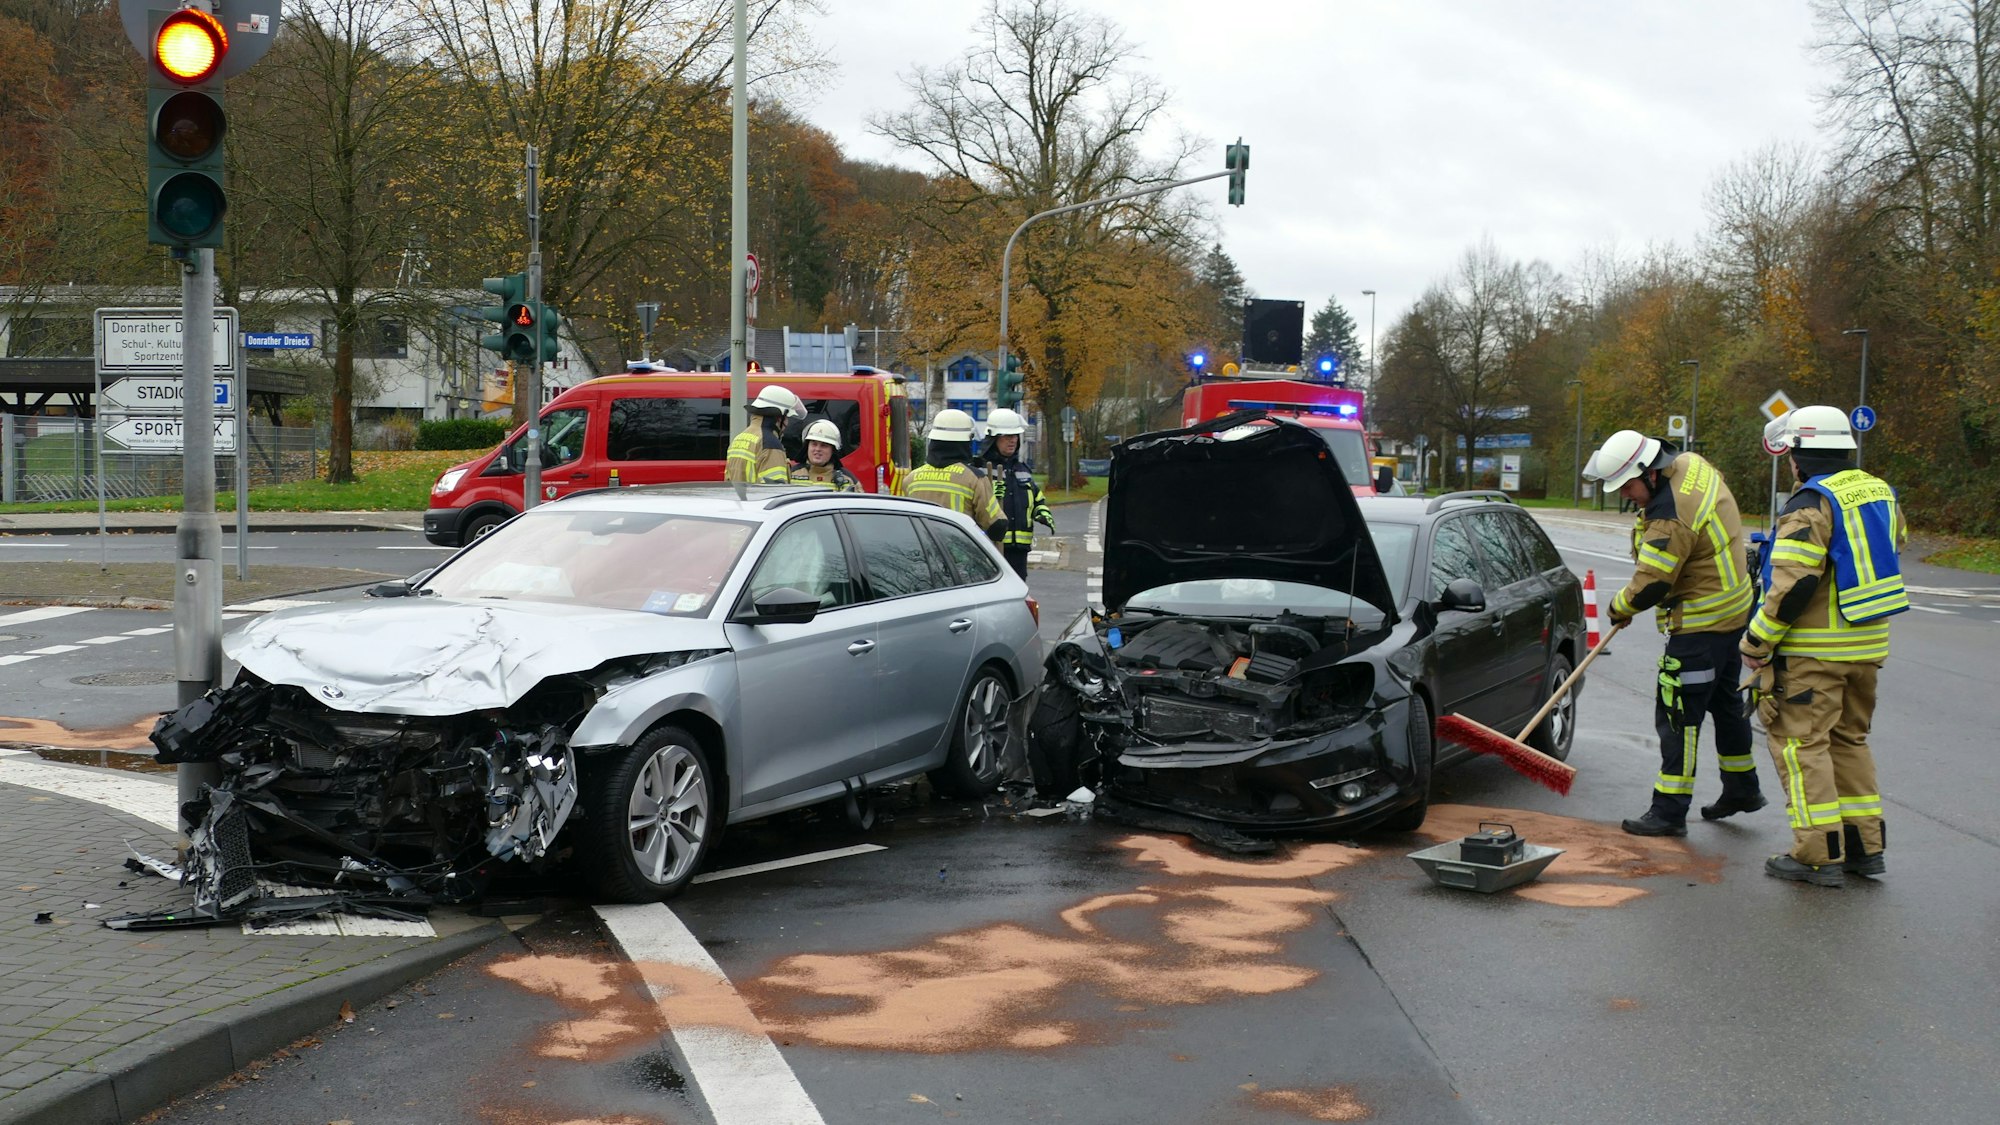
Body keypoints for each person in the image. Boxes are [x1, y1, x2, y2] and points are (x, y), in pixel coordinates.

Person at [1739, 405, 1907, 887]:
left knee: (1800, 746)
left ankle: (1817, 855)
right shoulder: (1881, 493)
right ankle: (1864, 848)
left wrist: (1757, 642)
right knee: (1848, 741)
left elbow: (1793, 585)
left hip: (1815, 652)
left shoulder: (1809, 504)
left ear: (1798, 455)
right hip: (1867, 645)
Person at [1582, 429, 1766, 837]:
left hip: (1700, 625)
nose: (1626, 495)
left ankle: (1668, 811)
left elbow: (1652, 583)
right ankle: (1742, 789)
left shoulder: (1669, 514)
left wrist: (1619, 607)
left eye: (1627, 486)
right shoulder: (1691, 465)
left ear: (1648, 473)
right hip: (1733, 613)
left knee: (1677, 715)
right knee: (1726, 706)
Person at [899, 408, 1004, 540]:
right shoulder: (975, 479)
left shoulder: (911, 479)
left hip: (921, 555)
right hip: (958, 556)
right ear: (965, 442)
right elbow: (997, 526)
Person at [979, 408, 1054, 577]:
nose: (1012, 441)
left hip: (1019, 552)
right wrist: (991, 493)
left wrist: (1042, 513)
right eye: (1007, 436)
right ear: (993, 439)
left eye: (1015, 436)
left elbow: (1036, 499)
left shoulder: (1023, 470)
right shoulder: (981, 470)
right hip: (991, 548)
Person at [724, 385, 803, 484]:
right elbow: (775, 489)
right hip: (756, 499)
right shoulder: (770, 444)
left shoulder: (739, 438)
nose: (787, 423)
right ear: (779, 418)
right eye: (786, 417)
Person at [791, 419, 859, 492]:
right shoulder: (792, 474)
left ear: (832, 450)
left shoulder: (847, 479)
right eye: (814, 444)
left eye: (824, 445)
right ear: (807, 447)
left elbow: (857, 502)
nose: (817, 449)